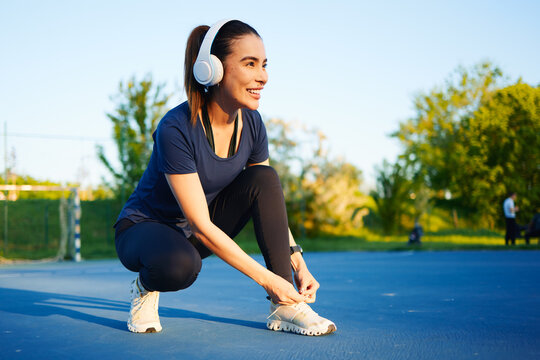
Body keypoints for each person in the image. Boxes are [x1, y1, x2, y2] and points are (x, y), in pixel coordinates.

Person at [114, 19, 336, 336]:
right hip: (143, 229)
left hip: (194, 231)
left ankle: (286, 306)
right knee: (180, 267)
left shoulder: (253, 124)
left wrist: (297, 264)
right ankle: (145, 285)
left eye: (264, 65)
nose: (263, 76)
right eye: (249, 64)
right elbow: (202, 227)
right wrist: (268, 279)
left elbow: (267, 196)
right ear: (212, 70)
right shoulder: (175, 128)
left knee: (265, 177)